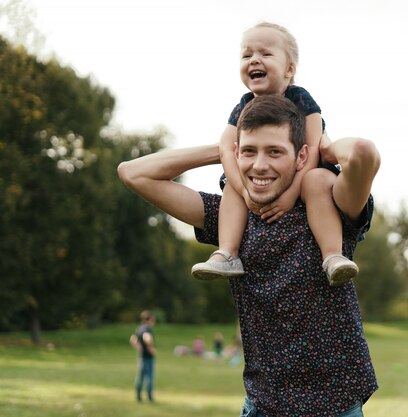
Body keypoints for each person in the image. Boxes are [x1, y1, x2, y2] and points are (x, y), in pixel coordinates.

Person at [118, 94, 380, 416]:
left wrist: (324, 147)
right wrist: (223, 151)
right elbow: (134, 173)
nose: (259, 165)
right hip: (263, 405)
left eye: (275, 152)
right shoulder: (231, 217)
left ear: (301, 157)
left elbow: (363, 153)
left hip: (336, 406)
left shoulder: (327, 206)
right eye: (249, 151)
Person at [190, 21, 359, 286]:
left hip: (305, 173)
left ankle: (332, 256)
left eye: (265, 54)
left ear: (289, 69)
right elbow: (226, 147)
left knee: (316, 180)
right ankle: (227, 253)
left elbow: (312, 147)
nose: (254, 60)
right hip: (263, 179)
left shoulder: (301, 98)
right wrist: (244, 190)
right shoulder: (244, 105)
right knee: (231, 185)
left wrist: (291, 194)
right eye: (247, 55)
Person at [129, 310, 157, 403]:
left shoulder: (139, 328)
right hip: (148, 357)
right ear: (150, 319)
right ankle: (150, 398)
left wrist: (139, 348)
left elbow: (133, 339)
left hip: (141, 356)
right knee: (149, 377)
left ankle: (138, 397)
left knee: (140, 377)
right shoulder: (147, 329)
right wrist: (150, 348)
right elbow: (147, 338)